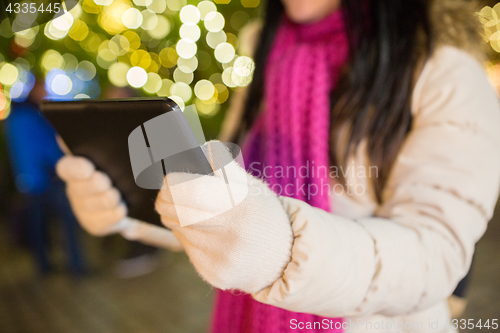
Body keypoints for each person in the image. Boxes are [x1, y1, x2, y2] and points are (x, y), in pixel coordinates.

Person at [55, 0, 500, 332]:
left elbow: (437, 254)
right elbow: (233, 224)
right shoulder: (268, 57)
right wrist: (130, 210)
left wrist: (282, 249)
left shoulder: (446, 70)